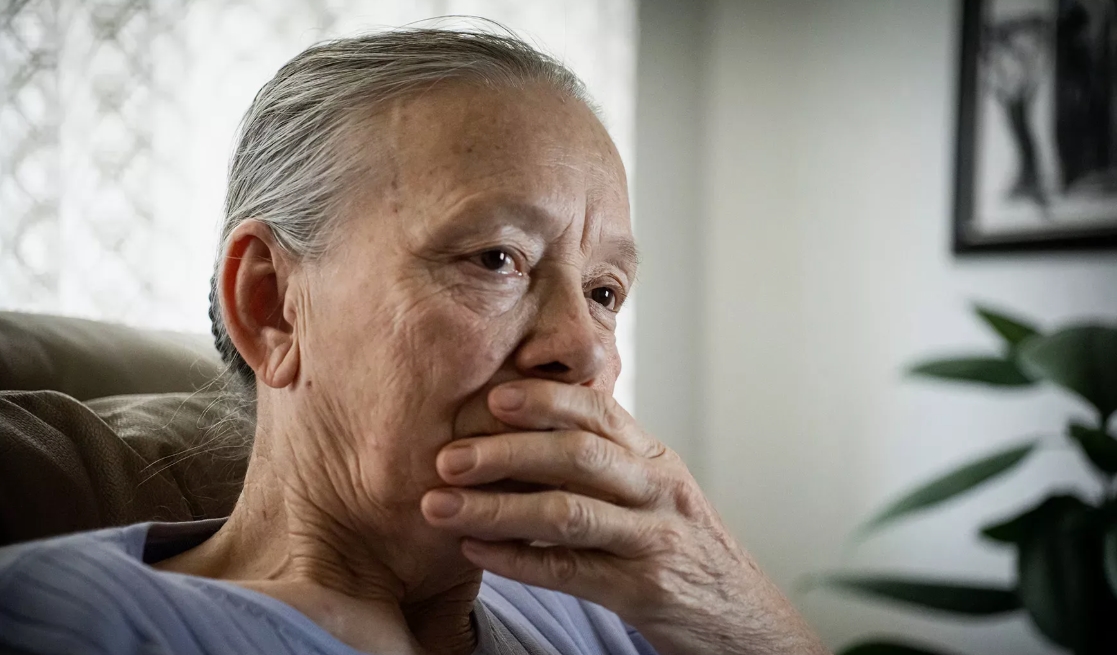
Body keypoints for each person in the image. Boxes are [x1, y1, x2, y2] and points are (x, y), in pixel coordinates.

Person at [0, 28, 829, 655]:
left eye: (603, 291)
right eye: (496, 258)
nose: (584, 349)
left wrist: (735, 610)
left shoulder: (624, 607)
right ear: (272, 305)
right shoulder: (70, 618)